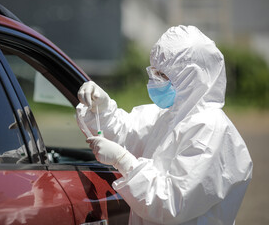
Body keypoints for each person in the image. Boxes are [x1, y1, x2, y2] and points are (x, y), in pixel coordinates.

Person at [76, 25, 252, 225]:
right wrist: (101, 109)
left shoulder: (210, 130)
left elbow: (171, 204)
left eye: (163, 75)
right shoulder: (170, 116)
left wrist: (124, 160)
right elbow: (126, 131)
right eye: (155, 72)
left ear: (191, 77)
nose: (155, 81)